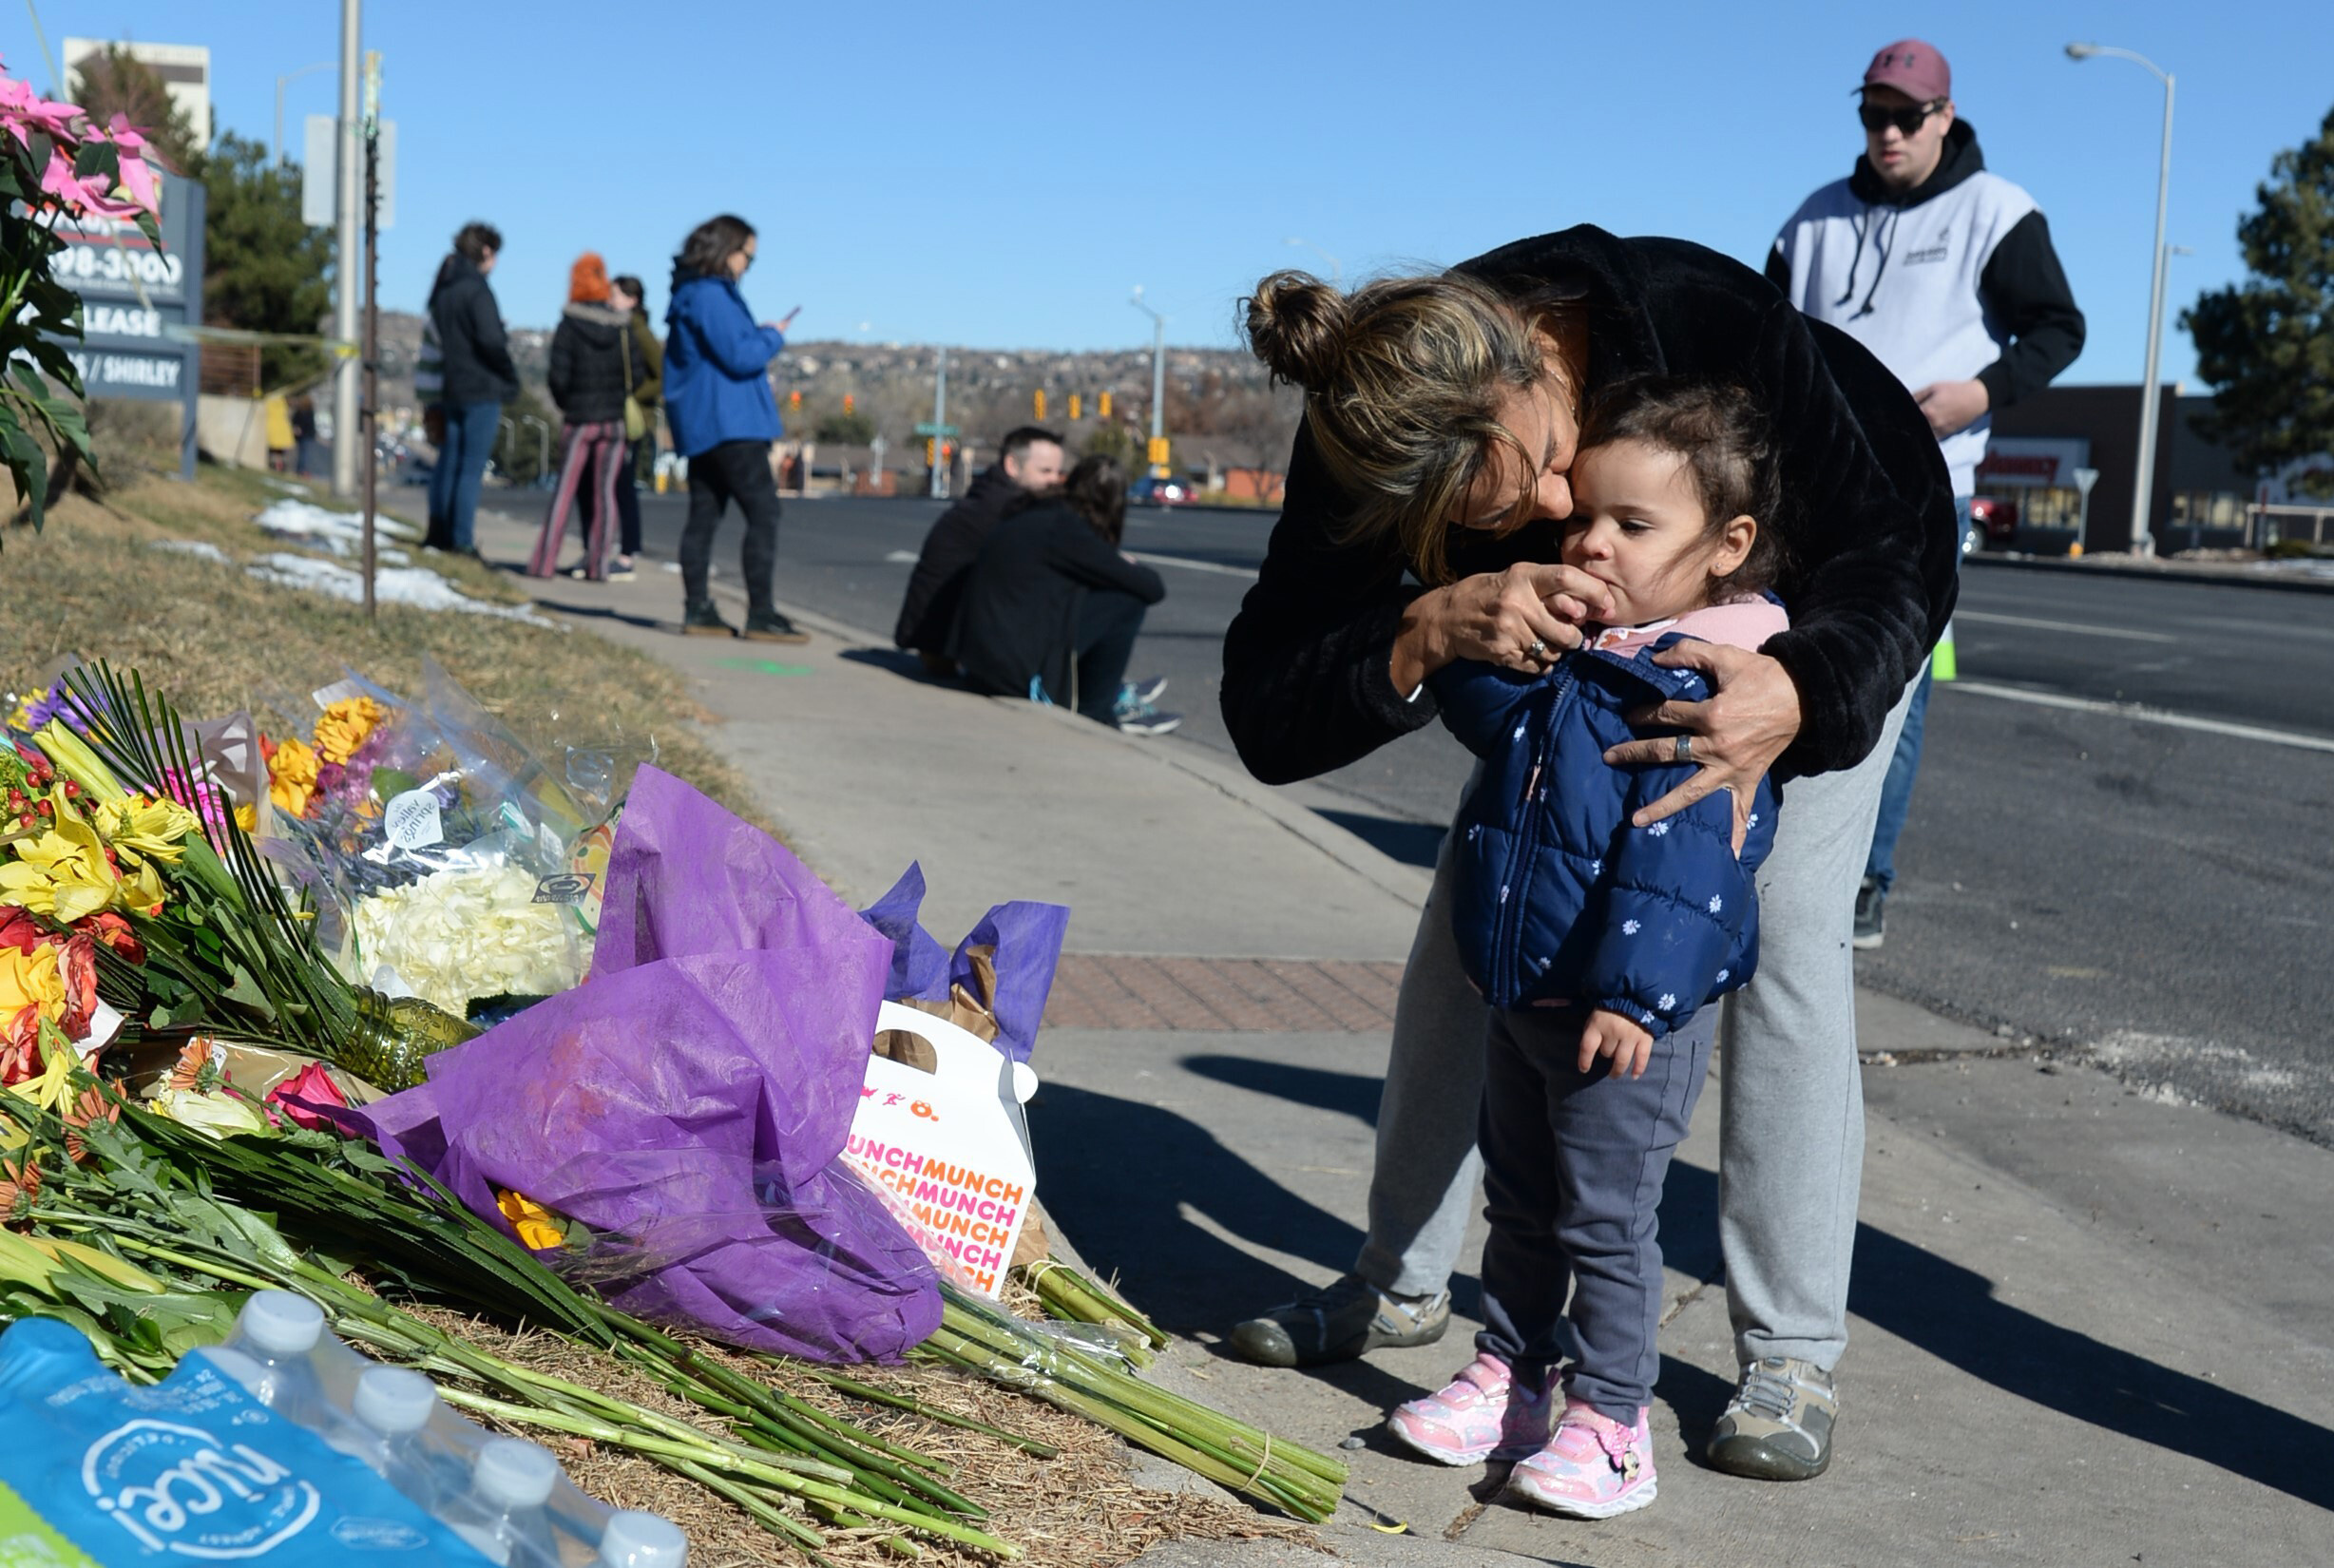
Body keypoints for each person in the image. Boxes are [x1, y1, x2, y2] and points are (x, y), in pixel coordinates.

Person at [1220, 231, 1958, 1487]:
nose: (1558, 514)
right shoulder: (1368, 427)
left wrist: (1798, 688)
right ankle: (1397, 1283)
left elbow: (1893, 547)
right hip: (1594, 679)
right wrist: (1419, 627)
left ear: (1535, 362)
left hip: (1817, 610)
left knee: (1772, 930)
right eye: (1497, 520)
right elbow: (1265, 705)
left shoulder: (1689, 313)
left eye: (1554, 460)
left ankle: (1787, 1348)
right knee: (1483, 910)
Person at [1387, 376, 1789, 1518]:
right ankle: (1510, 1376)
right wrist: (1479, 627)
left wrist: (1634, 995)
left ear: (1727, 547)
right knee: (1518, 1202)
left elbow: (1689, 860)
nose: (1591, 541)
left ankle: (1611, 1420)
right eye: (1585, 519)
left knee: (1603, 1219)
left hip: (1623, 1017)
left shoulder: (1703, 681)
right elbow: (1488, 722)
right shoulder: (1595, 644)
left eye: (1631, 525)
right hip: (1525, 992)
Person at [1768, 39, 2084, 948]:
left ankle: (1865, 876)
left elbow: (2058, 328)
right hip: (1812, 485)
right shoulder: (1813, 221)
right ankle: (1775, 851)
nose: (1888, 132)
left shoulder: (1997, 213)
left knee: (1897, 689)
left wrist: (1980, 393)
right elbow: (1770, 330)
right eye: (1873, 115)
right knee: (1785, 660)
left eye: (1907, 116)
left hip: (1924, 492)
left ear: (1945, 117)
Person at [951, 455, 1182, 735]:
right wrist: (1120, 561)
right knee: (1126, 601)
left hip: (981, 664)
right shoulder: (1066, 531)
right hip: (1014, 678)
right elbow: (1152, 587)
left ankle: (1105, 690)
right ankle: (1096, 709)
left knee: (1095, 591)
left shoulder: (1034, 513)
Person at [663, 214, 803, 641]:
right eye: (748, 256)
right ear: (727, 250)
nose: (747, 265)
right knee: (764, 512)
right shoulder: (710, 295)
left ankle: (699, 609)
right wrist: (772, 337)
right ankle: (760, 612)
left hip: (706, 424)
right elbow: (740, 357)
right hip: (730, 424)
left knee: (705, 515)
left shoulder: (692, 293)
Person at [894, 425, 1068, 672]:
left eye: (1058, 472)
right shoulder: (1007, 509)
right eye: (1045, 471)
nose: (1054, 480)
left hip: (938, 640)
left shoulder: (991, 495)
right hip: (947, 644)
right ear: (1012, 466)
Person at [526, 253, 633, 582]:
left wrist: (568, 404)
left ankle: (544, 563)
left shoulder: (569, 325)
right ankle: (598, 566)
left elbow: (558, 376)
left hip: (580, 418)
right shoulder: (621, 328)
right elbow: (636, 374)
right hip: (614, 420)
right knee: (606, 494)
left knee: (564, 491)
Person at [424, 222, 519, 560]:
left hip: (452, 388)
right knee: (469, 468)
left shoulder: (445, 290)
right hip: (480, 389)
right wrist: (509, 376)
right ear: (486, 251)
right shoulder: (477, 290)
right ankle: (462, 540)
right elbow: (491, 340)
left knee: (449, 463)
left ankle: (439, 532)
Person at [605, 273, 663, 581]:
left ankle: (627, 555)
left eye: (615, 295)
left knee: (624, 486)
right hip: (615, 417)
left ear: (632, 300)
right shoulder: (618, 330)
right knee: (609, 486)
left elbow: (661, 375)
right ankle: (604, 550)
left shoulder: (639, 332)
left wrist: (631, 397)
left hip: (634, 421)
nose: (610, 301)